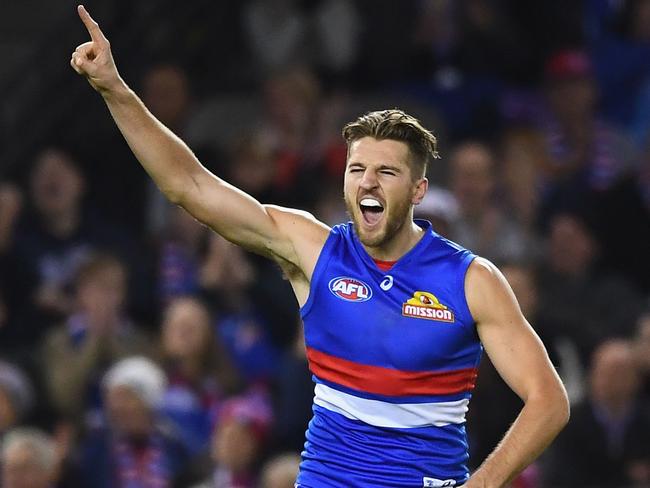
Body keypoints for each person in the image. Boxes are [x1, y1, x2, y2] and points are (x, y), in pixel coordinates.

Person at [70, 6, 569, 486]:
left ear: (418, 191)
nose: (368, 183)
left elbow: (549, 399)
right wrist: (115, 90)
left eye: (386, 172)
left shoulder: (471, 279)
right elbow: (190, 187)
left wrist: (482, 486)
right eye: (358, 169)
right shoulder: (311, 248)